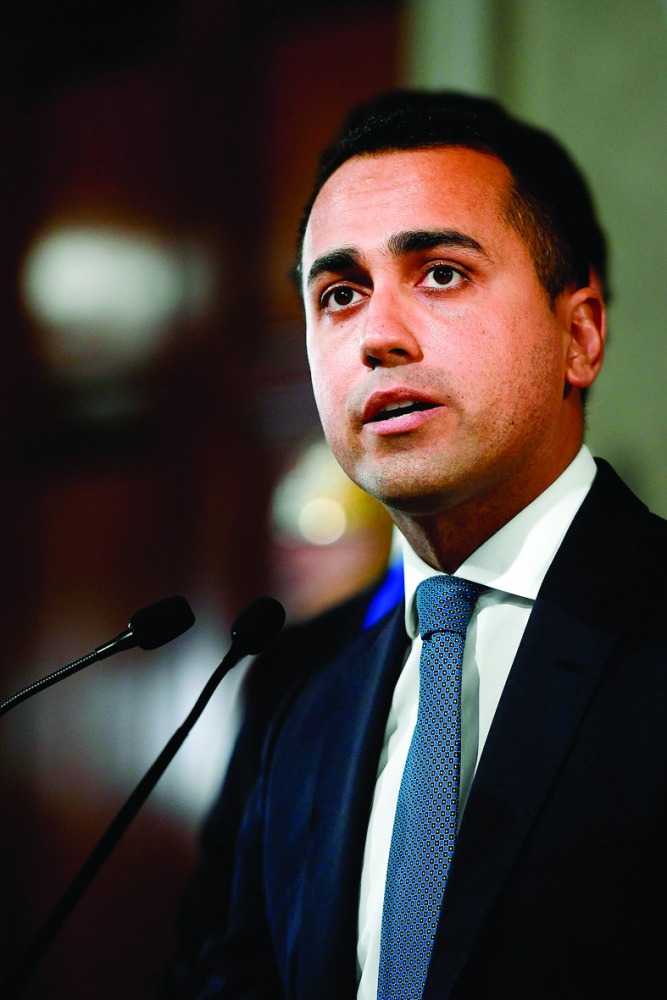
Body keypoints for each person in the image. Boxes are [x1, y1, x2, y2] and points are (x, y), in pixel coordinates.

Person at [192, 91, 667, 998]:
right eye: (338, 294)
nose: (376, 336)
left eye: (440, 273)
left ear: (579, 335)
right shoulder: (308, 709)